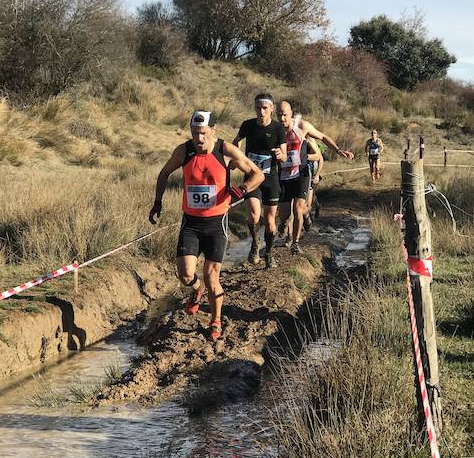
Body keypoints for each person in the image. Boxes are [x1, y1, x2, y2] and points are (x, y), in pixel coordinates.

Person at [149, 110, 264, 341]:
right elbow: (163, 173)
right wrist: (157, 202)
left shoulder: (226, 150)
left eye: (202, 133)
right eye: (194, 134)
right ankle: (196, 290)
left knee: (213, 277)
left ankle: (215, 320)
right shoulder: (184, 150)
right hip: (190, 222)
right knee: (185, 275)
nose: (198, 139)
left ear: (213, 130)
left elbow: (257, 174)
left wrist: (241, 190)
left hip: (216, 222)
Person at [275, 102, 352, 253]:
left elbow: (322, 137)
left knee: (298, 209)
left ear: (291, 113)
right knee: (284, 215)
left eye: (285, 114)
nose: (282, 118)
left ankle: (296, 243)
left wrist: (338, 150)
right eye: (279, 115)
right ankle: (286, 225)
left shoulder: (302, 126)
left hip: (301, 174)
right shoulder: (274, 129)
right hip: (284, 175)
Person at [231, 93, 286, 268]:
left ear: (271, 109)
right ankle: (255, 244)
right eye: (258, 108)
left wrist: (280, 154)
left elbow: (284, 155)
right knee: (254, 214)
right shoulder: (248, 125)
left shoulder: (278, 129)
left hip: (271, 178)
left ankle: (269, 253)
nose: (261, 112)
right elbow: (236, 141)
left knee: (270, 221)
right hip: (252, 178)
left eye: (264, 108)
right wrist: (235, 155)